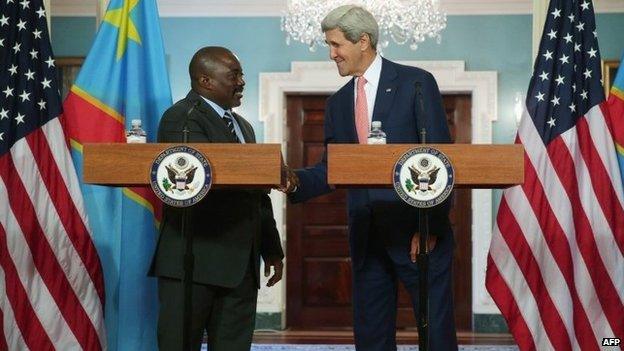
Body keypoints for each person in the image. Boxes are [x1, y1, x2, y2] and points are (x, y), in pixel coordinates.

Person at [281, 5, 457, 351]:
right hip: (366, 235)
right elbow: (334, 167)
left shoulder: (415, 82)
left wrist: (431, 226)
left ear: (363, 41)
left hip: (416, 232)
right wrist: (293, 181)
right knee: (371, 335)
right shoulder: (338, 102)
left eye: (336, 45)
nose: (331, 54)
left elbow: (438, 160)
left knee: (434, 331)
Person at [149, 46, 284, 351]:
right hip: (194, 262)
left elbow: (257, 197)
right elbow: (194, 184)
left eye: (241, 74)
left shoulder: (243, 127)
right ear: (205, 80)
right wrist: (266, 170)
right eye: (234, 74)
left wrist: (271, 248)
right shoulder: (181, 118)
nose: (242, 82)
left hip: (240, 268)